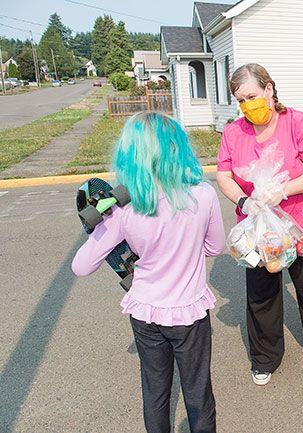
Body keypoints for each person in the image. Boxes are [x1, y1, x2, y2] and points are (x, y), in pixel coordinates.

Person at [71, 112, 225, 433]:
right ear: (178, 148)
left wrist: (100, 229)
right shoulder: (203, 194)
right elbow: (214, 247)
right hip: (189, 312)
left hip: (145, 312)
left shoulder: (123, 208)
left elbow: (81, 266)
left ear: (129, 153)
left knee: (155, 391)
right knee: (198, 393)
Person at [216, 63, 303, 386]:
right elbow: (224, 176)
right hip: (258, 231)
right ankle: (265, 357)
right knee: (261, 295)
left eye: (251, 96)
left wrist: (281, 190)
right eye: (240, 100)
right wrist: (244, 201)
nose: (247, 105)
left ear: (269, 89)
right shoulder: (233, 132)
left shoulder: (299, 123)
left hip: (301, 227)